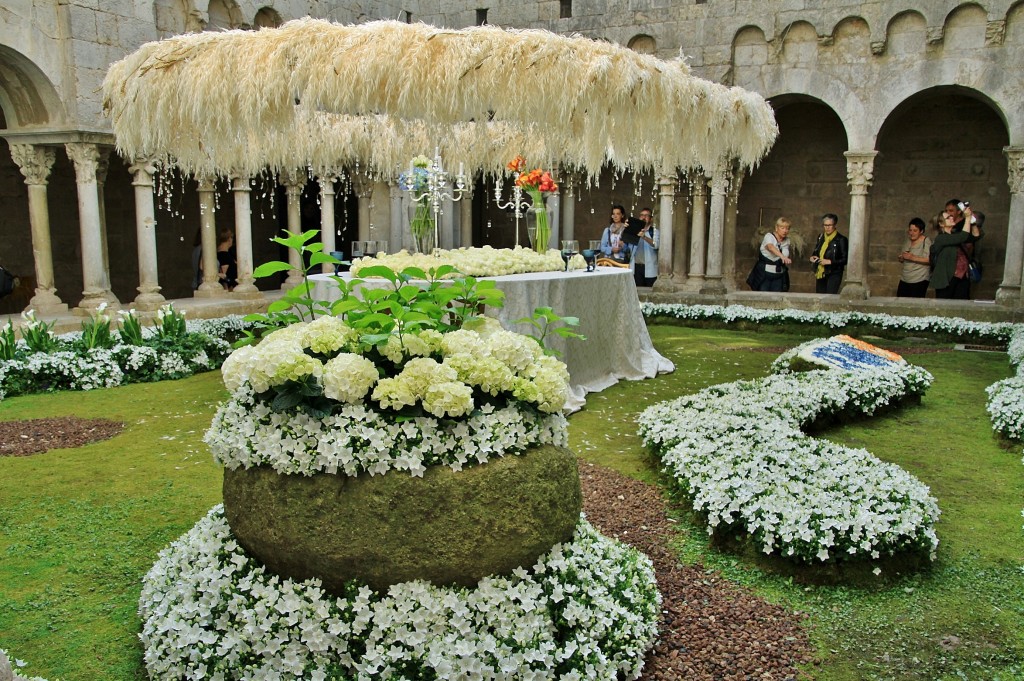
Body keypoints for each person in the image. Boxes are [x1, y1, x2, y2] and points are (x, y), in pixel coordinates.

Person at [930, 205, 982, 299]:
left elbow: (975, 236)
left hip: (962, 277)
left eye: (951, 216)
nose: (951, 217)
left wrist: (972, 222)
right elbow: (962, 236)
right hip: (947, 279)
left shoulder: (956, 235)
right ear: (941, 224)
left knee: (961, 305)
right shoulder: (941, 238)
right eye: (947, 217)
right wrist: (967, 218)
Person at [808, 213, 848, 294]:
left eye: (829, 225)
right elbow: (816, 252)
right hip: (821, 271)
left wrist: (830, 262)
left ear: (834, 225)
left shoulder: (841, 239)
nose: (827, 227)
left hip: (834, 272)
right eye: (825, 225)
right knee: (819, 296)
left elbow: (845, 259)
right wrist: (813, 258)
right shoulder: (821, 237)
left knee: (830, 296)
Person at [896, 217, 932, 298]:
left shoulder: (926, 241)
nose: (912, 233)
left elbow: (929, 260)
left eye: (915, 231)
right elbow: (904, 257)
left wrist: (912, 257)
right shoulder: (907, 241)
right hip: (905, 278)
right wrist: (902, 258)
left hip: (919, 278)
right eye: (910, 230)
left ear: (921, 231)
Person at [757, 217, 792, 292]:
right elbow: (770, 247)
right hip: (765, 275)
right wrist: (782, 257)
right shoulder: (769, 236)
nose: (785, 231)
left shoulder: (787, 241)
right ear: (777, 228)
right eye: (782, 228)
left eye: (787, 228)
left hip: (779, 275)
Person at [630, 207, 659, 287]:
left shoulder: (654, 231)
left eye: (646, 215)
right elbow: (626, 244)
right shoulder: (634, 230)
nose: (644, 217)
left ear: (651, 219)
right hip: (636, 267)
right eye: (642, 215)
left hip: (649, 268)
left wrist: (644, 237)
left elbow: (656, 245)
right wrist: (626, 229)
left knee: (650, 291)